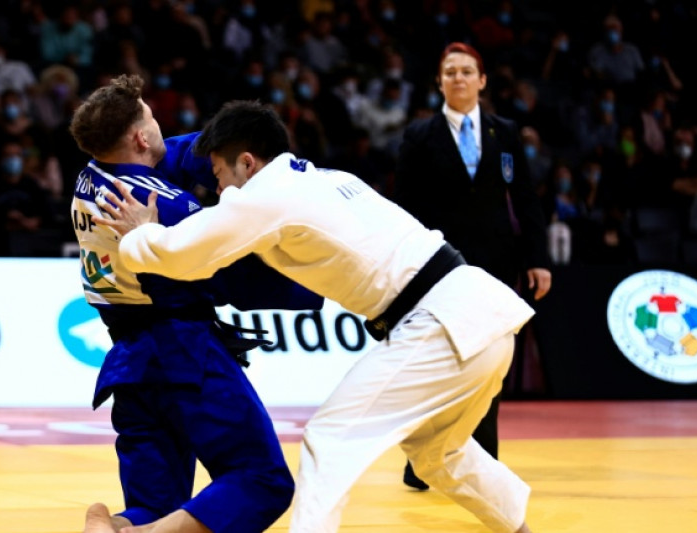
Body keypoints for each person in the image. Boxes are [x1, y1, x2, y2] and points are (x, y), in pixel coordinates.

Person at [92, 100, 537, 533]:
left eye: (219, 175)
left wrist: (141, 233)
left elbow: (183, 256)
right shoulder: (327, 178)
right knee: (438, 453)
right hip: (481, 314)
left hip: (439, 321)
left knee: (330, 436)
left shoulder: (264, 197)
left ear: (247, 162)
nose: (220, 189)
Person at [70, 75, 322, 533]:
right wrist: (322, 278)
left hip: (129, 367)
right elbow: (240, 283)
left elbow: (179, 153)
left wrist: (231, 145)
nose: (160, 125)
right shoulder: (169, 207)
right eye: (151, 117)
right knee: (261, 479)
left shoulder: (91, 178)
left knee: (156, 505)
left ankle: (113, 524)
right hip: (185, 355)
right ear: (139, 138)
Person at [393, 42, 551, 490]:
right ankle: (423, 462)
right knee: (434, 360)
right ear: (439, 82)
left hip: (497, 263)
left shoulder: (506, 132)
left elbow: (525, 199)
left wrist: (538, 260)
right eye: (450, 72)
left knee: (490, 360)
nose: (458, 78)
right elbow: (403, 207)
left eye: (466, 71)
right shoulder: (419, 136)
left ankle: (482, 459)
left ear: (482, 81)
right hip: (438, 267)